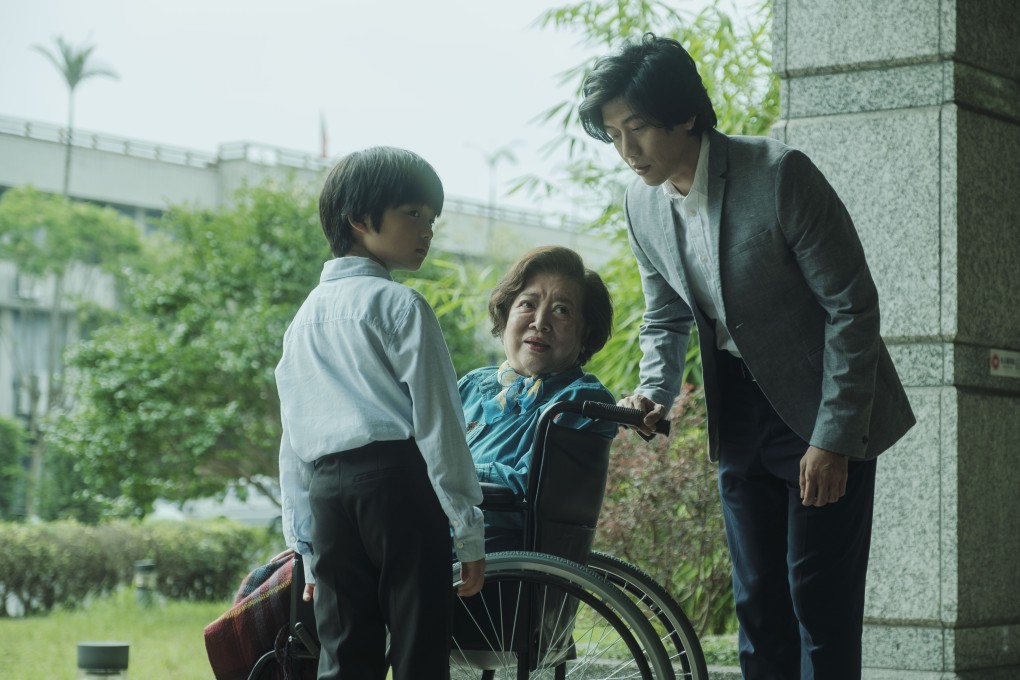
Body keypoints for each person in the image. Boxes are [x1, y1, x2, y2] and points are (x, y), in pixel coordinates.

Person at [578, 34, 916, 680]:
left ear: (684, 114)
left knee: (820, 601)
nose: (627, 151)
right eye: (614, 133)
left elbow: (853, 308)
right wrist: (655, 388)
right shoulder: (642, 203)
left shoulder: (780, 174)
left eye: (639, 128)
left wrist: (834, 437)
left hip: (821, 408)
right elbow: (667, 314)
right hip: (737, 415)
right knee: (757, 600)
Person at [275, 146, 485, 680]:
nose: (427, 230)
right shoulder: (402, 307)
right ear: (360, 219)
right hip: (397, 486)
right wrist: (468, 530)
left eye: (432, 218)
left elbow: (294, 439)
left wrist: (303, 545)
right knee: (418, 649)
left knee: (343, 655)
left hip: (328, 494)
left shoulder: (302, 321)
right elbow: (441, 425)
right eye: (413, 214)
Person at [459, 246, 617, 551]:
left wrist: (443, 472)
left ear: (585, 332)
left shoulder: (581, 401)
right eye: (528, 304)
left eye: (562, 310)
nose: (540, 322)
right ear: (506, 314)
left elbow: (527, 491)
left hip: (493, 570)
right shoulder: (473, 386)